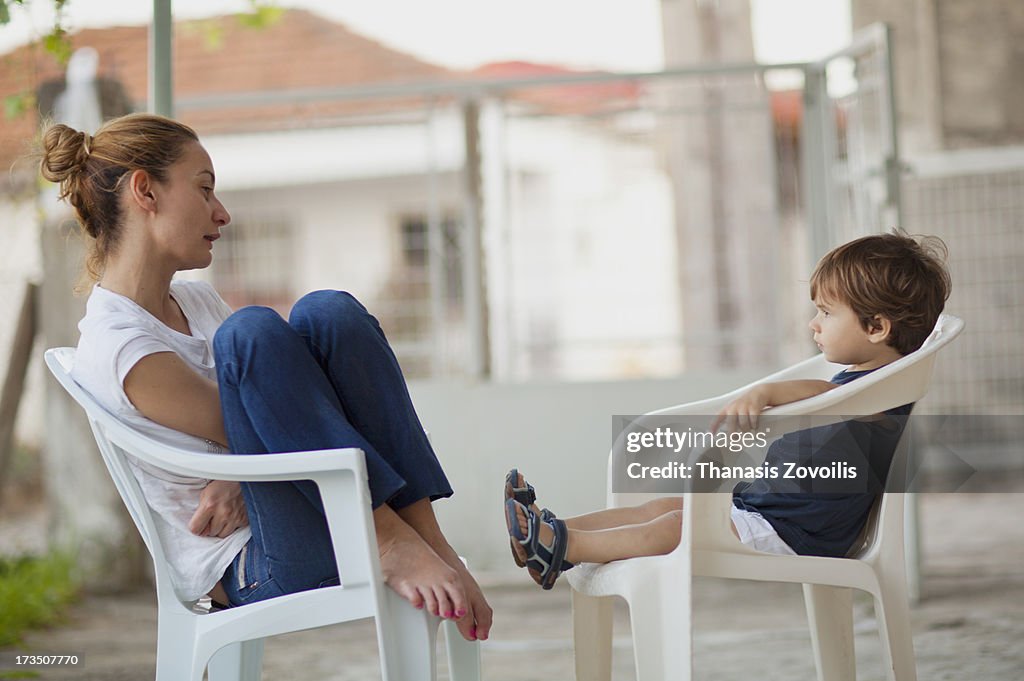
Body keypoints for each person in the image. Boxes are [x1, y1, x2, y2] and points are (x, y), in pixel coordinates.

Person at [39, 113, 492, 641]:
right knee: (251, 331)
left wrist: (235, 473)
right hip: (254, 560)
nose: (221, 212)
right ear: (146, 191)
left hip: (302, 505)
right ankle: (388, 540)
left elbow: (282, 414)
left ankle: (428, 542)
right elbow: (267, 428)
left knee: (329, 313)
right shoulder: (122, 345)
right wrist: (244, 467)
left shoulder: (196, 299)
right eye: (204, 190)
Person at [505, 231, 951, 589]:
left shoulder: (885, 394)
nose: (813, 324)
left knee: (674, 527)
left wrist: (770, 393)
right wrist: (772, 392)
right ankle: (547, 531)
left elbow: (843, 402)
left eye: (826, 312)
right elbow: (827, 394)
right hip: (763, 510)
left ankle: (562, 546)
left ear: (876, 327)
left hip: (792, 535)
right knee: (663, 506)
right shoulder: (858, 383)